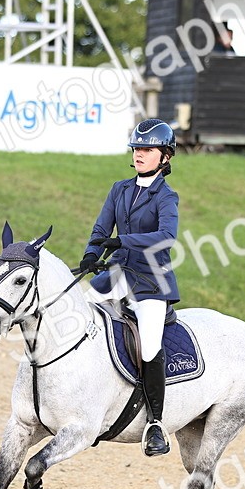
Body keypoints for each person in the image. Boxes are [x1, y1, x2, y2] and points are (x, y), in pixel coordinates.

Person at [78, 119, 180, 456]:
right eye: (136, 148)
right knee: (77, 316)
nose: (139, 154)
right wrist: (92, 254)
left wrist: (123, 240)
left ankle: (155, 424)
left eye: (147, 149)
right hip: (117, 274)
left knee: (149, 346)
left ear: (164, 157)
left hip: (151, 281)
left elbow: (167, 236)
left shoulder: (166, 196)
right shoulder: (119, 189)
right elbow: (100, 227)